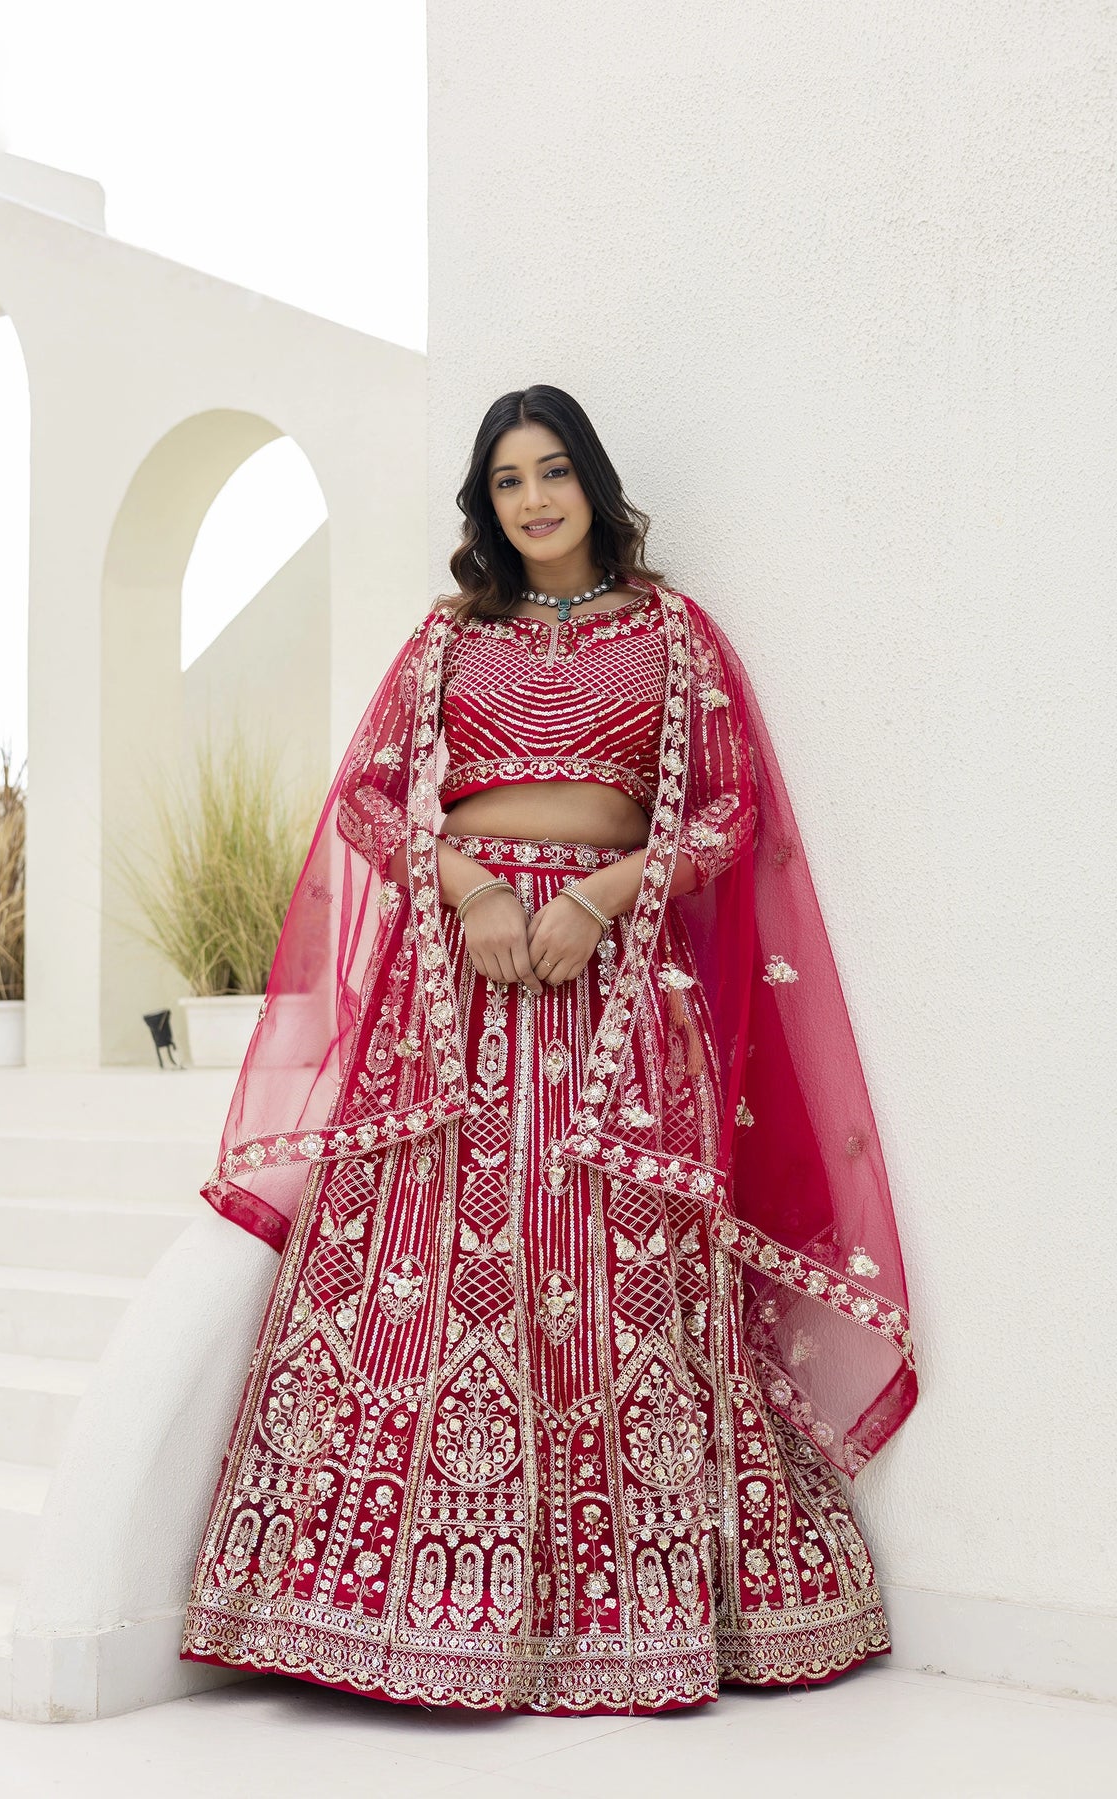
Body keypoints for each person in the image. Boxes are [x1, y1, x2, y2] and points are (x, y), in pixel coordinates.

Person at [179, 384, 918, 1714]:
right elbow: (364, 802)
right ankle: (385, 1606)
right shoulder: (451, 639)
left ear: (594, 484)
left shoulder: (676, 635)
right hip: (457, 997)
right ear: (487, 505)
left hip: (619, 989)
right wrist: (467, 888)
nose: (533, 499)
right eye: (508, 480)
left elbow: (725, 815)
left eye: (554, 472)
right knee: (433, 1269)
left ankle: (631, 1616)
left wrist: (595, 895)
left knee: (613, 1277)